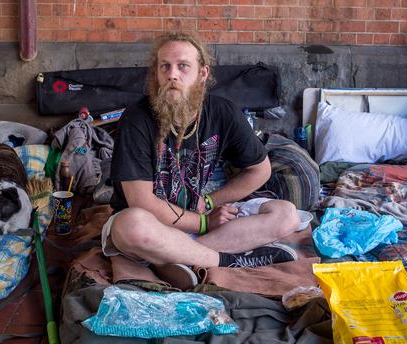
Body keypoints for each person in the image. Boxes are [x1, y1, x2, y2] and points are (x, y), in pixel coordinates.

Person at [104, 32, 301, 287]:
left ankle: (176, 261)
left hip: (199, 218)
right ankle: (224, 261)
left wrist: (210, 201)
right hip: (153, 227)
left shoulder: (222, 112)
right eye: (164, 66)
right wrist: (204, 222)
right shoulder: (136, 118)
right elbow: (142, 202)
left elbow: (259, 170)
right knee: (130, 225)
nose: (172, 75)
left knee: (287, 215)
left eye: (183, 66)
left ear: (203, 73)